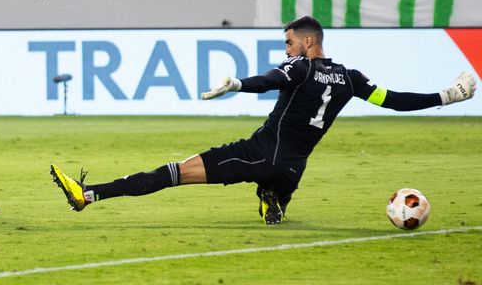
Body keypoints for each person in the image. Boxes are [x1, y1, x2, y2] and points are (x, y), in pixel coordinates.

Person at [50, 16, 477, 225]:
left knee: (173, 172)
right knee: (276, 181)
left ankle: (89, 194)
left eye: (291, 42)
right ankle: (273, 197)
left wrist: (236, 83)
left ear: (308, 42)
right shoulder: (350, 77)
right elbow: (396, 101)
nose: (288, 48)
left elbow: (272, 79)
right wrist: (448, 95)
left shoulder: (301, 67)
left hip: (260, 152)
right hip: (295, 168)